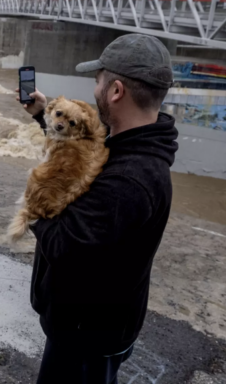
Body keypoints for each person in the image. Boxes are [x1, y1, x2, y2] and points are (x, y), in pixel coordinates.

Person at [17, 34, 179, 384]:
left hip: (86, 337)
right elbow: (84, 145)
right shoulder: (126, 143)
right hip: (91, 322)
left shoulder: (127, 181)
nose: (94, 90)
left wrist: (36, 202)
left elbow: (62, 245)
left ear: (116, 91)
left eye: (98, 81)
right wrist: (45, 115)